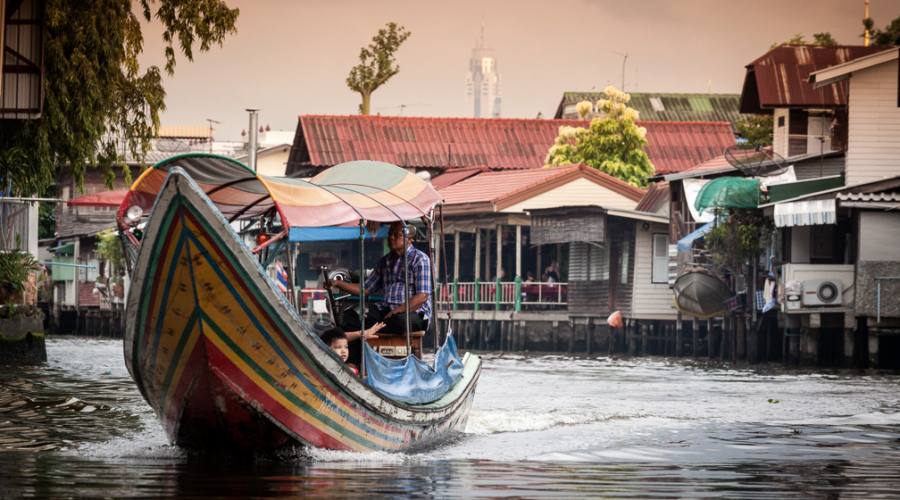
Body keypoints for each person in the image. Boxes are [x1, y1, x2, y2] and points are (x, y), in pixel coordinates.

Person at [328, 221, 432, 335]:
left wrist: (396, 311)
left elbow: (422, 296)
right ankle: (358, 348)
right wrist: (337, 283)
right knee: (350, 317)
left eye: (397, 235)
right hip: (386, 311)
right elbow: (365, 289)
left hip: (411, 312)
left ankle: (374, 327)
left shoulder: (420, 259)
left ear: (410, 239)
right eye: (390, 234)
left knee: (400, 321)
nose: (391, 238)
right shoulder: (385, 261)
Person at [320, 323, 385, 375]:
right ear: (326, 348)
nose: (344, 351)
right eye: (338, 347)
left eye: (346, 347)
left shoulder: (350, 370)